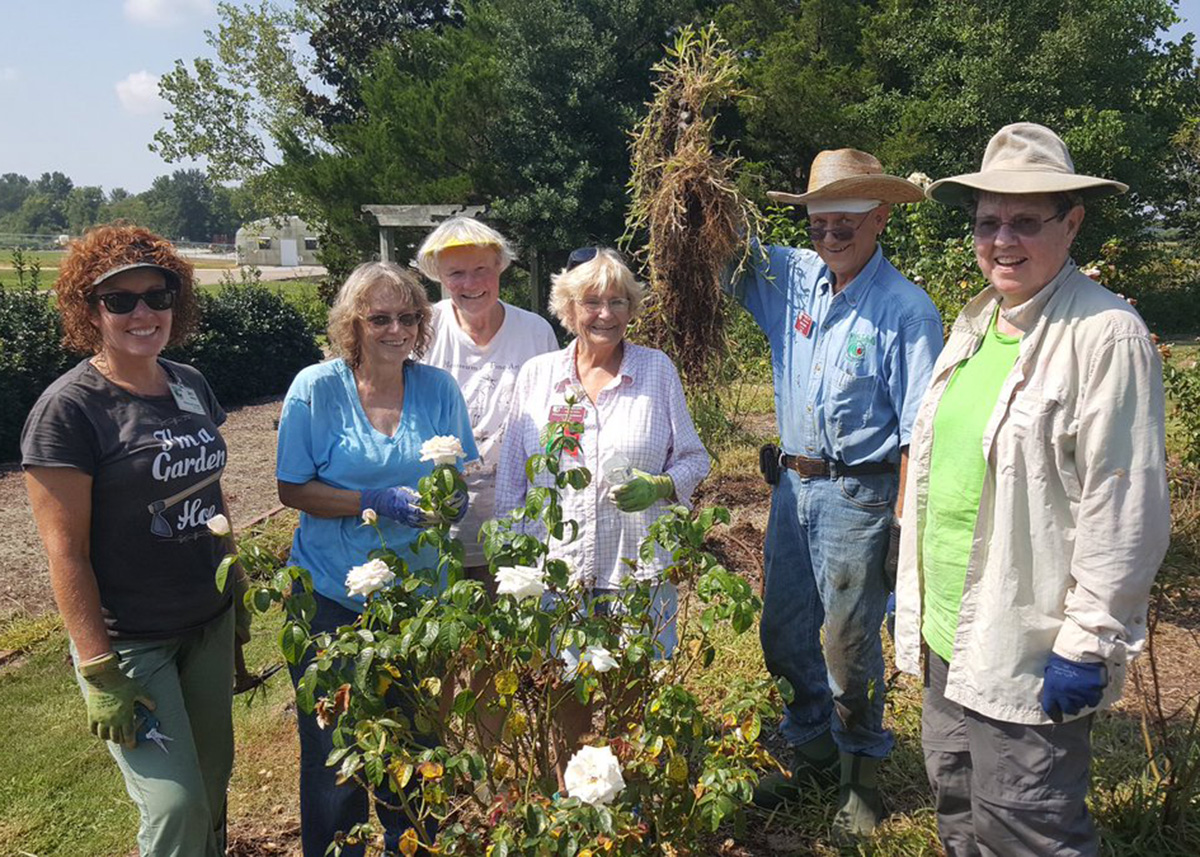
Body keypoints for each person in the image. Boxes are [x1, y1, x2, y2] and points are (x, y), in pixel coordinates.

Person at [895, 123, 1169, 856]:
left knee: (1028, 826)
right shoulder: (979, 323)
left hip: (1027, 638)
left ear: (1072, 221)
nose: (1003, 239)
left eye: (1025, 220)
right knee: (957, 808)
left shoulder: (1105, 334)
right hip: (949, 633)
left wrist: (1089, 640)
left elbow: (1126, 504)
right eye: (988, 221)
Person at [733, 149, 944, 835]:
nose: (830, 233)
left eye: (845, 220)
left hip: (860, 494)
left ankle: (862, 774)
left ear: (881, 215)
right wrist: (688, 163)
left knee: (848, 644)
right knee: (783, 631)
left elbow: (919, 432)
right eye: (820, 220)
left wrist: (902, 530)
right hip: (792, 492)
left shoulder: (907, 311)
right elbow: (716, 245)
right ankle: (814, 745)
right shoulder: (792, 279)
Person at [22, 223, 248, 855]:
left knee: (212, 782)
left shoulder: (188, 382)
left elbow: (211, 491)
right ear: (89, 310)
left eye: (158, 295)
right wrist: (97, 668)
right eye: (119, 300)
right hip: (131, 641)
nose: (143, 312)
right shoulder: (68, 410)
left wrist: (237, 582)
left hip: (207, 620)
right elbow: (64, 551)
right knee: (175, 805)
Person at [275, 261, 478, 857]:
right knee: (334, 745)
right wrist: (370, 500)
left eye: (408, 317)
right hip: (331, 597)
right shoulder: (317, 388)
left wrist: (451, 499)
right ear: (353, 325)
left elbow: (455, 475)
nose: (396, 329)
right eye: (379, 318)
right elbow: (292, 488)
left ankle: (411, 847)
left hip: (419, 602)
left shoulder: (437, 388)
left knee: (416, 745)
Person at [494, 247, 710, 757]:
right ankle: (570, 789)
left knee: (632, 694)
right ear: (569, 309)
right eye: (592, 301)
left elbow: (695, 459)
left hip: (636, 572)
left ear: (632, 309)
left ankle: (627, 795)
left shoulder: (656, 372)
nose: (606, 314)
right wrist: (513, 564)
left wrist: (659, 487)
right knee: (564, 690)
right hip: (557, 573)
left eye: (618, 301)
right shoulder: (538, 376)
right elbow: (511, 482)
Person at [416, 217, 559, 587]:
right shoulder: (422, 328)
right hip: (436, 518)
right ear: (439, 276)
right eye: (456, 273)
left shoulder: (535, 332)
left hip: (515, 514)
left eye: (481, 269)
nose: (471, 283)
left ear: (500, 266)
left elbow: (555, 418)